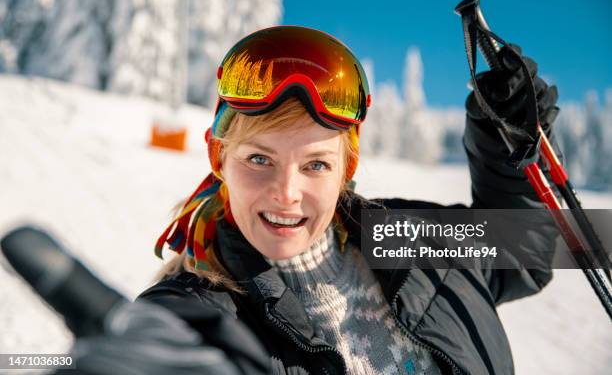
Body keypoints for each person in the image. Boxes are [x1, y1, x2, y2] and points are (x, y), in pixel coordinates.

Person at [138, 26, 561, 375]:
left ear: (347, 170)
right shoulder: (194, 313)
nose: (286, 193)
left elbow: (522, 251)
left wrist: (509, 146)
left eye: (316, 165)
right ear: (218, 158)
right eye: (259, 159)